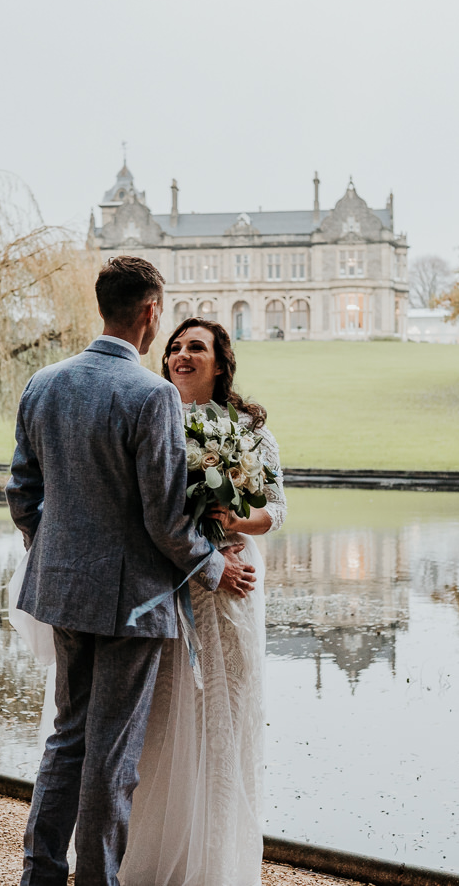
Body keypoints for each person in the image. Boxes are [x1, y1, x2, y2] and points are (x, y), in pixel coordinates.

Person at [5, 256, 257, 886]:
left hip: (61, 592)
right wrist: (210, 566)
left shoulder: (44, 382)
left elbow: (21, 492)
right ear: (149, 312)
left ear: (102, 307)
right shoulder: (152, 396)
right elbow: (167, 521)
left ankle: (39, 874)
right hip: (133, 605)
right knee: (112, 758)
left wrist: (54, 547)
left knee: (67, 738)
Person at [118, 317, 286, 886]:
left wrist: (233, 518)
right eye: (174, 347)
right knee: (164, 722)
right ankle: (149, 859)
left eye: (196, 347)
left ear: (220, 363)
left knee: (224, 719)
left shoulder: (250, 431)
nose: (180, 355)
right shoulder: (151, 415)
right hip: (170, 587)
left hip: (232, 584)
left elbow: (275, 511)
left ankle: (214, 865)